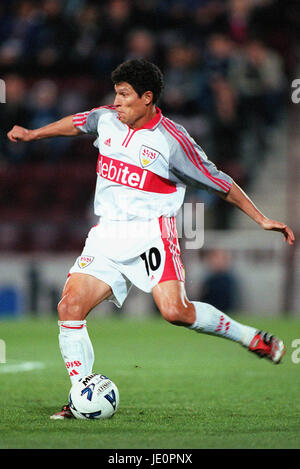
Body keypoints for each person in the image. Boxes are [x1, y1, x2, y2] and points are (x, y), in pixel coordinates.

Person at [7, 59, 295, 420]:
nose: (117, 102)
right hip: (107, 233)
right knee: (69, 308)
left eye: (124, 95)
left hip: (150, 234)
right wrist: (34, 134)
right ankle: (81, 395)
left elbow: (220, 182)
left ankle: (249, 337)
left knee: (176, 312)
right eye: (115, 93)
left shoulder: (171, 141)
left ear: (147, 98)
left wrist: (262, 218)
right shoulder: (107, 118)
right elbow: (78, 123)